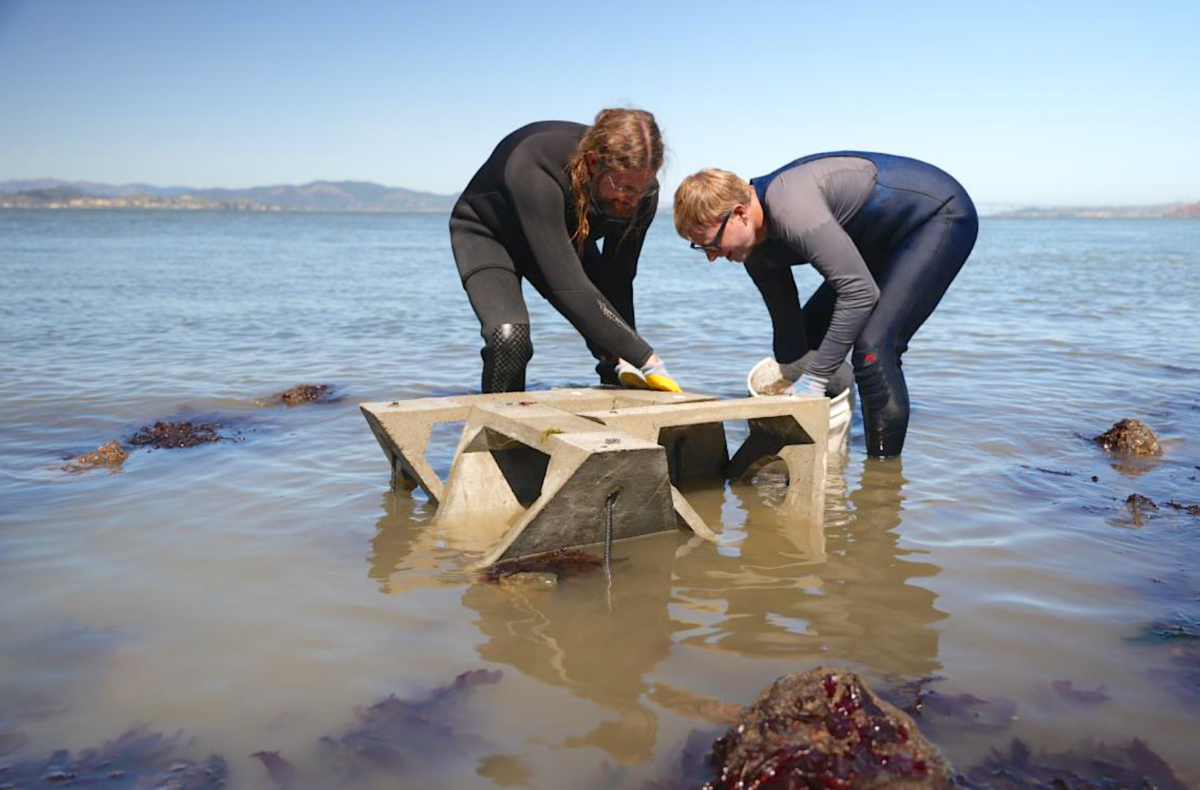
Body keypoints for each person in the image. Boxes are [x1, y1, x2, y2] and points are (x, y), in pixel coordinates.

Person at [673, 153, 978, 457]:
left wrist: (815, 380)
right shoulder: (755, 247)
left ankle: (882, 485)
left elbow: (859, 293)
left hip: (937, 217)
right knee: (807, 341)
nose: (711, 257)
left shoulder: (791, 207)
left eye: (712, 244)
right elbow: (789, 332)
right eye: (701, 248)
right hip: (876, 239)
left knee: (874, 349)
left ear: (739, 213)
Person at [449, 108, 680, 394]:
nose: (632, 200)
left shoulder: (643, 195)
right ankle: (500, 435)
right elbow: (568, 287)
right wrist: (648, 360)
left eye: (641, 189)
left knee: (617, 352)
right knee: (510, 339)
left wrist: (626, 360)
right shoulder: (535, 164)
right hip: (490, 234)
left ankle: (618, 425)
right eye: (624, 187)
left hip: (563, 236)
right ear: (593, 163)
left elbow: (617, 281)